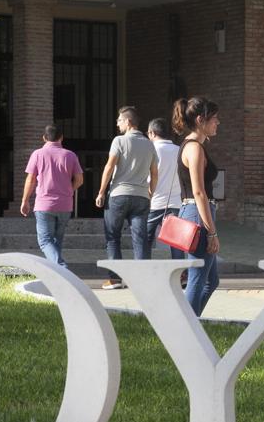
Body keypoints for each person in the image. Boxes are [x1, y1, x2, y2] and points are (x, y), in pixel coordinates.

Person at [95, 106, 158, 289]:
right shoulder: (149, 144)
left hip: (118, 195)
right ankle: (142, 280)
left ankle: (115, 279)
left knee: (113, 237)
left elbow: (109, 167)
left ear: (128, 122)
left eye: (119, 120)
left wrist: (100, 191)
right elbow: (154, 173)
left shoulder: (119, 141)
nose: (117, 123)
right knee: (140, 238)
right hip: (141, 197)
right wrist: (150, 193)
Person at [173, 96, 222, 315]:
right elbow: (199, 191)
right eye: (214, 119)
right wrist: (211, 232)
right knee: (198, 279)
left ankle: (192, 324)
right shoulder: (194, 148)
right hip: (198, 214)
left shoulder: (192, 146)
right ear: (201, 120)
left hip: (195, 212)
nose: (217, 123)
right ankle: (186, 330)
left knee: (211, 280)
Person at [19, 124, 84, 268]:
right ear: (61, 137)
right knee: (56, 241)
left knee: (45, 241)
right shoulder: (70, 155)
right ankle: (57, 275)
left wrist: (25, 200)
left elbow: (30, 179)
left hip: (44, 204)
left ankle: (61, 267)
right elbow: (79, 179)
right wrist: (69, 190)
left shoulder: (37, 154)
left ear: (44, 138)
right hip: (65, 204)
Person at [146, 116, 184, 259]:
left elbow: (148, 176)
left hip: (154, 202)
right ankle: (181, 273)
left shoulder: (152, 150)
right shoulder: (179, 150)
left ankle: (143, 269)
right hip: (176, 202)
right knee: (176, 241)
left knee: (146, 239)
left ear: (152, 133)